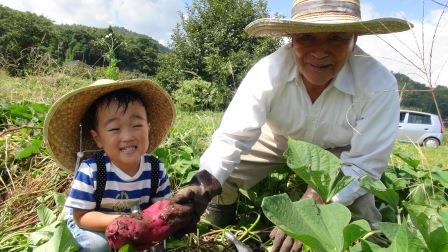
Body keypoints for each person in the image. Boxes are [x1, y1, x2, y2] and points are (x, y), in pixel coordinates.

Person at [173, 0, 413, 251]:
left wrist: (311, 206)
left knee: (359, 207)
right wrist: (202, 185)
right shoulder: (268, 71)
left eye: (336, 38)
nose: (320, 51)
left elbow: (365, 163)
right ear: (291, 39)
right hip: (278, 138)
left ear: (354, 40)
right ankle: (216, 231)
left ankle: (365, 241)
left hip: (340, 151)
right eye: (307, 37)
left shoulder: (378, 83)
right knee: (224, 176)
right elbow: (233, 138)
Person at [43, 79, 175, 251]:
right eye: (114, 129)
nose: (127, 136)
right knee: (99, 246)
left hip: (135, 225)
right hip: (91, 223)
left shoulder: (156, 170)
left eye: (136, 125)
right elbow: (81, 217)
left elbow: (162, 209)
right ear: (98, 138)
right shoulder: (92, 171)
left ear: (148, 128)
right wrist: (122, 221)